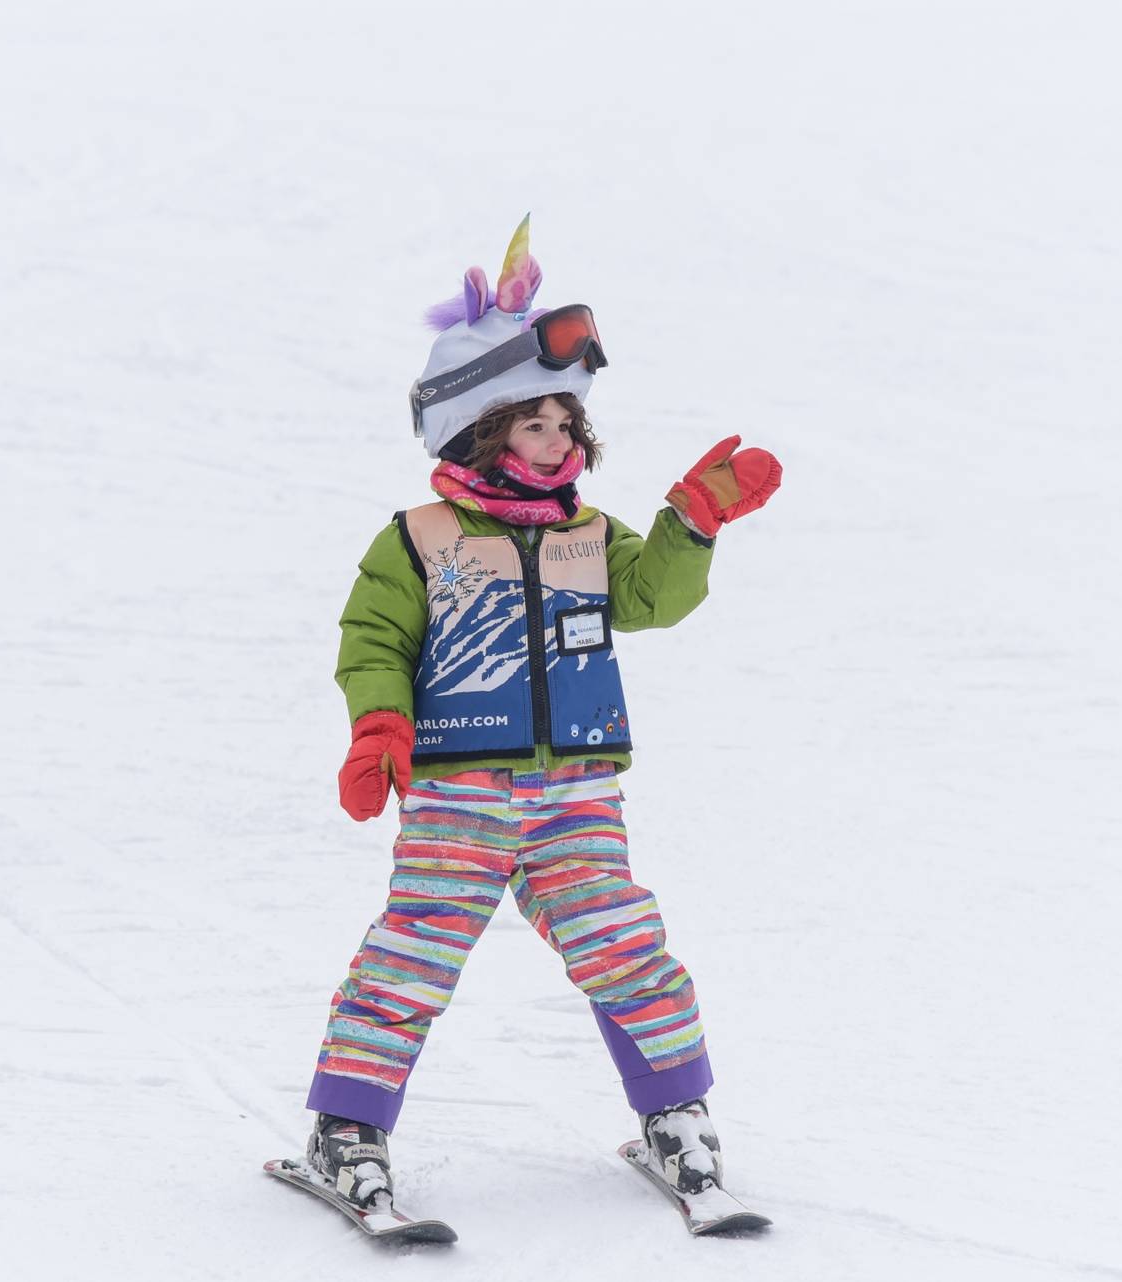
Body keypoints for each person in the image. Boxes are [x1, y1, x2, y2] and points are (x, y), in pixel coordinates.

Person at [300, 218, 782, 1209]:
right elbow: (372, 639)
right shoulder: (419, 538)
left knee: (624, 940)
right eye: (534, 422)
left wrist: (692, 522)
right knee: (415, 949)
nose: (556, 439)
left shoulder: (592, 533)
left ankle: (676, 1114)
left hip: (575, 791)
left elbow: (653, 598)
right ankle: (346, 1125)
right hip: (458, 793)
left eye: (566, 423)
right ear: (481, 426)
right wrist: (379, 726)